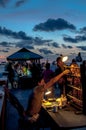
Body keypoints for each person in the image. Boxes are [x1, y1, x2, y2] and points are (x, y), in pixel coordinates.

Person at [4, 69, 70, 127]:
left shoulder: (37, 90)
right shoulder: (38, 89)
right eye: (43, 82)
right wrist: (63, 73)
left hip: (31, 115)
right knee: (53, 121)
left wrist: (41, 101)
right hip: (31, 118)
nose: (44, 83)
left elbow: (33, 101)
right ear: (39, 83)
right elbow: (52, 81)